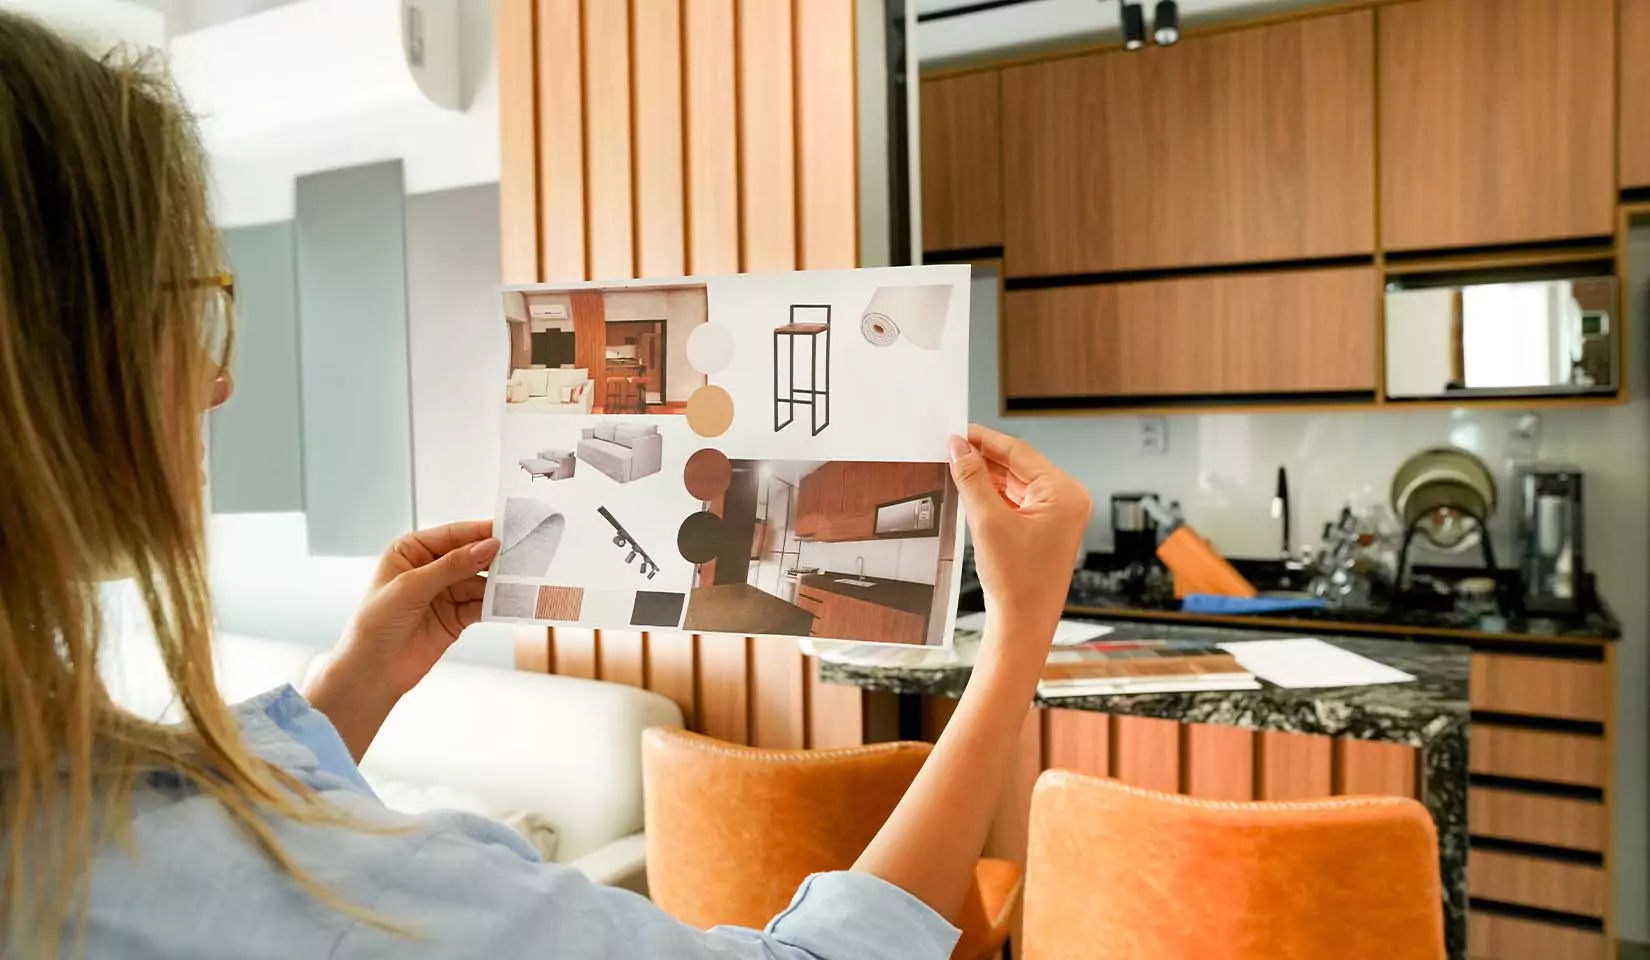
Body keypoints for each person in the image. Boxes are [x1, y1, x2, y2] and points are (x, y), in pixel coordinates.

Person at [0, 11, 1091, 958]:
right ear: (53, 361)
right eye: (180, 306)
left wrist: (353, 688)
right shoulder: (339, 895)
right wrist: (1017, 641)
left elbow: (194, 818)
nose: (219, 378)